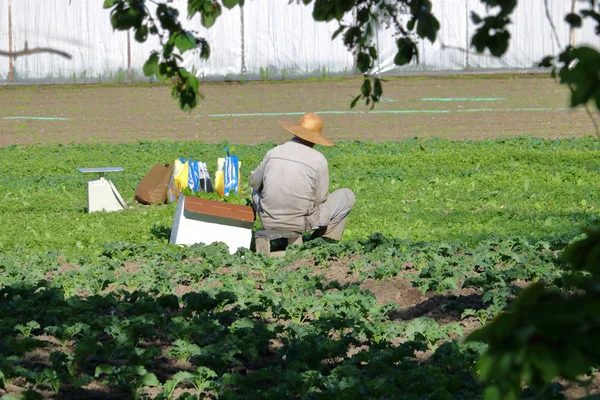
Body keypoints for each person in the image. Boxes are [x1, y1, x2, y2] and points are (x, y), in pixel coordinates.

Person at [250, 112, 355, 240]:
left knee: (254, 189)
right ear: (316, 139)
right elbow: (320, 198)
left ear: (295, 132)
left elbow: (254, 183)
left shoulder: (273, 152)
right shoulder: (319, 160)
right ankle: (324, 241)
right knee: (347, 195)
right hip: (302, 223)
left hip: (268, 221)